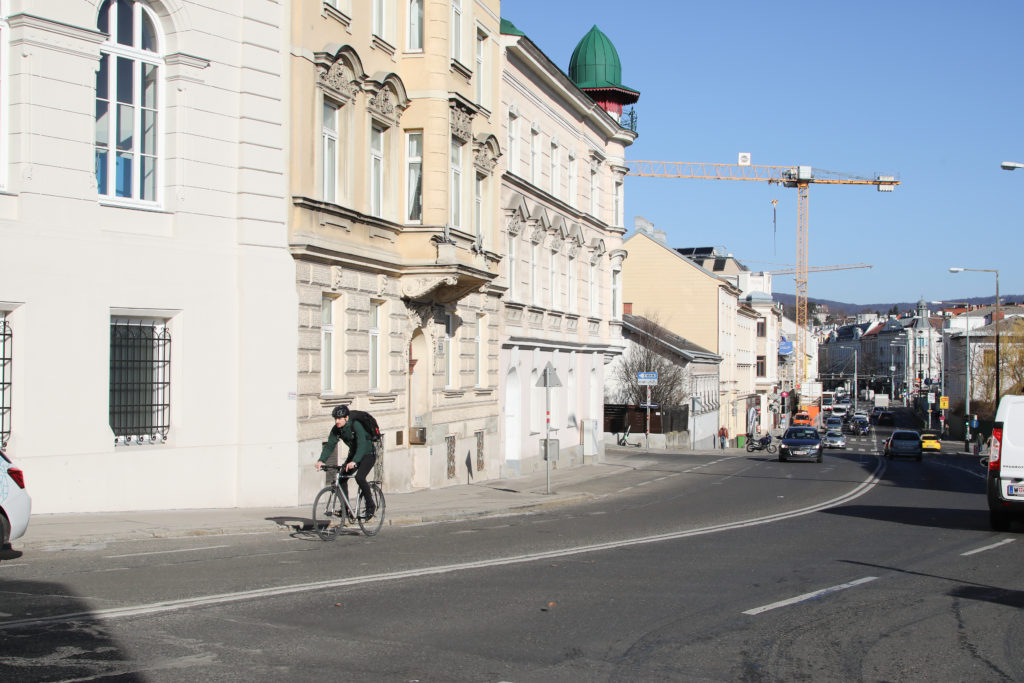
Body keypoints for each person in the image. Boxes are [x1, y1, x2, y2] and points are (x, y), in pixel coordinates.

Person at [315, 405, 376, 521]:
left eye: (339, 418)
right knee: (342, 478)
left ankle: (370, 506)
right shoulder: (336, 429)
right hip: (354, 455)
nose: (337, 421)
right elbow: (330, 445)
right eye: (335, 419)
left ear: (346, 418)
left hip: (368, 454)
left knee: (360, 477)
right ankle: (346, 509)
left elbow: (362, 444)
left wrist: (354, 461)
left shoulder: (355, 425)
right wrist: (321, 460)